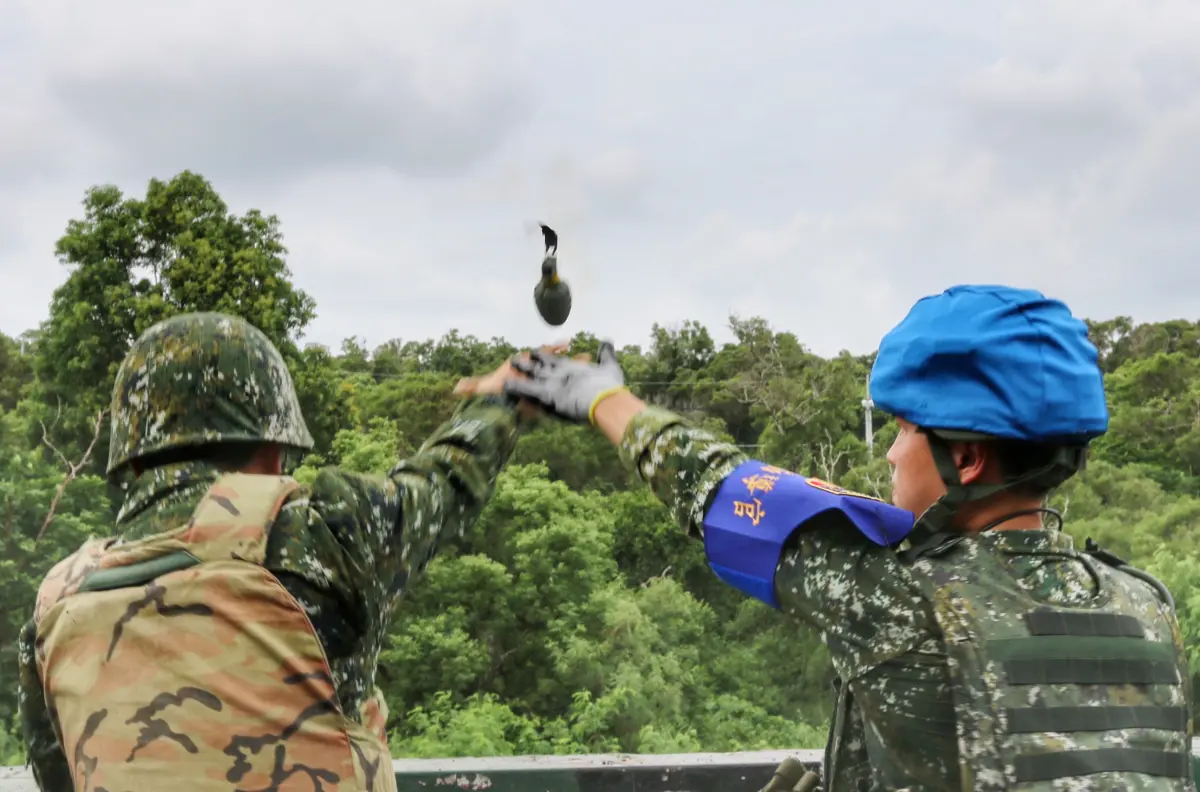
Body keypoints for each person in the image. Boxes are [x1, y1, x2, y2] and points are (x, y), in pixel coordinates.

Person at [489, 284, 1196, 791]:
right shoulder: (1146, 606)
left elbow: (713, 486)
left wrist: (601, 397)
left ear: (968, 460)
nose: (890, 453)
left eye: (905, 429)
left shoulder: (901, 601)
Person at [18, 312, 539, 792]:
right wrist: (503, 398)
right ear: (272, 451)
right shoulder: (322, 536)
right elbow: (443, 486)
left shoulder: (52, 612)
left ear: (130, 465)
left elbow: (58, 776)